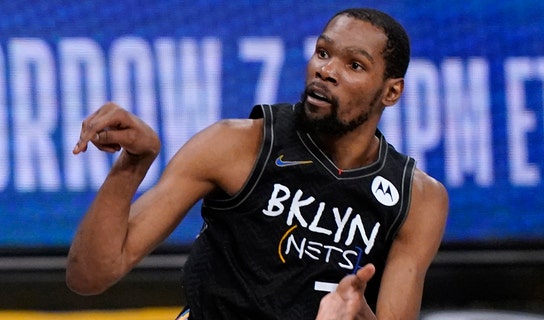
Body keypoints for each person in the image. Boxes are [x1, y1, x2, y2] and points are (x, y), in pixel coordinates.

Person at [66, 7, 448, 320]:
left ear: (392, 91)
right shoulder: (235, 145)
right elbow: (90, 275)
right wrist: (132, 164)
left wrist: (359, 315)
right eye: (323, 52)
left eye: (355, 65)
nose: (326, 70)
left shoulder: (416, 198)